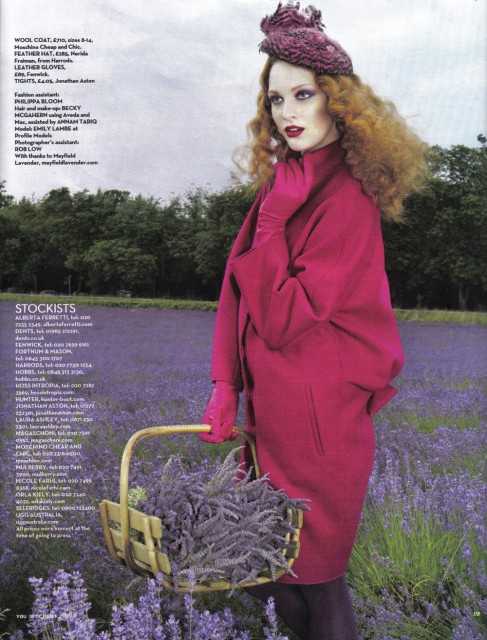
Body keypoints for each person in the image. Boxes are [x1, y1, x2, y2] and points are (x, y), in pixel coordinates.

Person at [199, 2, 428, 639]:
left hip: (319, 419)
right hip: (273, 409)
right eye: (276, 99)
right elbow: (236, 291)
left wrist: (274, 221)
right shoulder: (289, 180)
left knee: (314, 578)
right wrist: (225, 384)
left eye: (303, 94)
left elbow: (281, 320)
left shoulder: (347, 197)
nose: (287, 112)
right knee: (274, 574)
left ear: (338, 102)